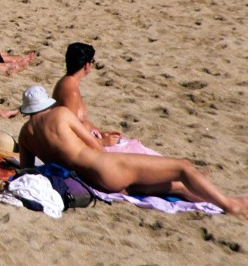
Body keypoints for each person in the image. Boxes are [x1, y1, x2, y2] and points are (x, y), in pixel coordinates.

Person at [17, 85, 248, 216]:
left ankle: (224, 201)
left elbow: (26, 170)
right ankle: (230, 206)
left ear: (28, 110)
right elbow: (95, 145)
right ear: (46, 103)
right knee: (183, 167)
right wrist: (105, 141)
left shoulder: (25, 134)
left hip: (93, 183)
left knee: (176, 187)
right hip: (107, 169)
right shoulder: (61, 114)